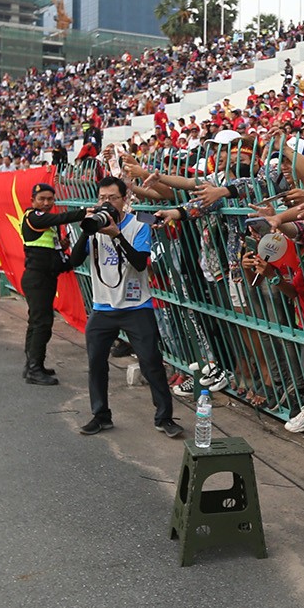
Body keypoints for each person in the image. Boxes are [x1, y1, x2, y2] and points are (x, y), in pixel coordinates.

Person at [70, 176, 181, 438]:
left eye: (113, 198)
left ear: (125, 200)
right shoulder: (93, 227)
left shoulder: (138, 226)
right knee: (96, 363)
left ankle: (164, 417)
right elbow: (74, 260)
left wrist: (117, 235)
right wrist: (87, 230)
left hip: (136, 307)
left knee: (151, 362)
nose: (107, 203)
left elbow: (141, 263)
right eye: (102, 198)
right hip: (102, 307)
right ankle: (100, 415)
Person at [19, 182, 87, 385]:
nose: (46, 203)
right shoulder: (34, 216)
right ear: (33, 201)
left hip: (44, 277)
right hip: (37, 278)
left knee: (37, 322)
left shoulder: (46, 225)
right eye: (42, 199)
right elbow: (60, 217)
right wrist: (86, 212)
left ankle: (33, 365)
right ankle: (33, 369)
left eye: (50, 199)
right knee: (42, 324)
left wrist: (61, 248)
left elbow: (48, 248)